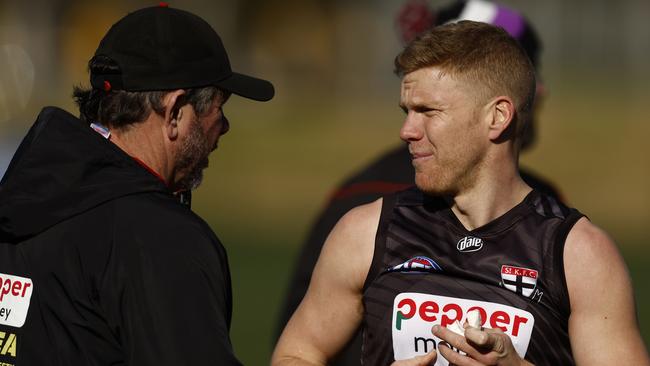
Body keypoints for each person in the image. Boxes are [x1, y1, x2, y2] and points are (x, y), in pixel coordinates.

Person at [273, 20, 649, 366]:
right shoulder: (367, 232)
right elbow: (296, 354)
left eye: (428, 111)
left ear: (497, 117)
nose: (406, 130)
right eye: (406, 110)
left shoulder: (577, 254)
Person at [0, 4, 273, 365]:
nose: (223, 128)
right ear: (174, 111)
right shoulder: (162, 240)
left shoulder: (20, 206)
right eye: (219, 109)